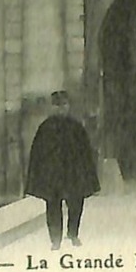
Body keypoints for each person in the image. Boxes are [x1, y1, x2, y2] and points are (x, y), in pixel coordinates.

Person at [25, 90, 100, 249]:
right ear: (52, 107)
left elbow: (86, 151)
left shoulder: (76, 127)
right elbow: (37, 154)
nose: (61, 109)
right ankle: (55, 239)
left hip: (73, 173)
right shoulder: (45, 128)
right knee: (53, 205)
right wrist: (38, 175)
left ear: (68, 106)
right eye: (57, 106)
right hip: (53, 174)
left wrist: (87, 173)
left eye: (64, 105)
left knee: (76, 204)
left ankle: (73, 233)